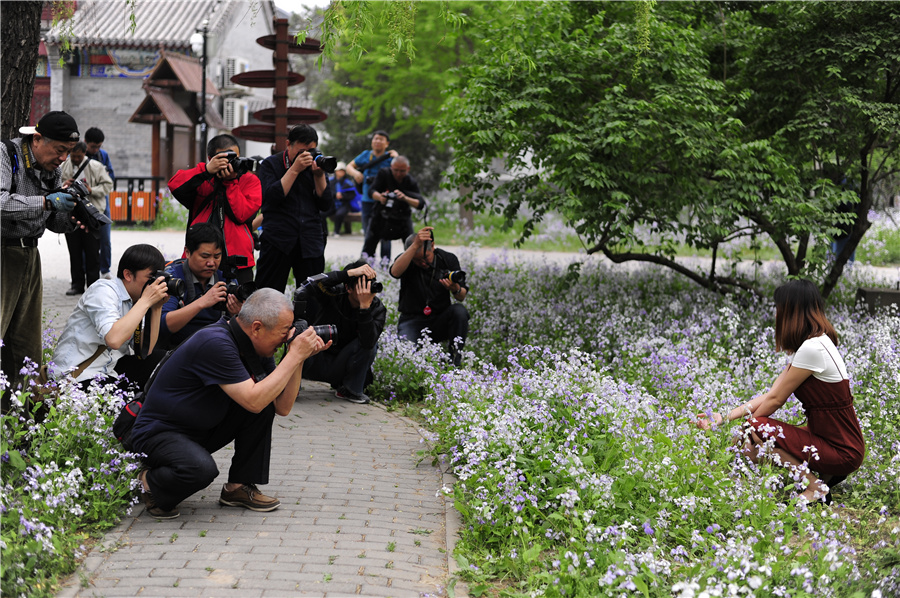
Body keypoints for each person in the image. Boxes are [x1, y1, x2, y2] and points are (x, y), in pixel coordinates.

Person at [129, 288, 328, 519]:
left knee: (265, 403)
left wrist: (299, 357)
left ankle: (238, 487)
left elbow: (281, 406)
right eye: (285, 331)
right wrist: (293, 355)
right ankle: (148, 481)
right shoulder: (216, 343)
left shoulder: (256, 346)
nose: (288, 338)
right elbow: (254, 401)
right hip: (158, 433)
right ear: (257, 327)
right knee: (201, 470)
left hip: (197, 428)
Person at [696, 279, 865, 505]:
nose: (776, 315)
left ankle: (816, 488)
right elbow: (770, 395)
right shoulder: (814, 343)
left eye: (779, 309)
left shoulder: (812, 348)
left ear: (792, 311)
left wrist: (746, 431)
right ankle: (826, 475)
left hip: (842, 449)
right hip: (836, 441)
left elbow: (776, 400)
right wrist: (723, 419)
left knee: (756, 433)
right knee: (753, 440)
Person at [1, 111, 81, 396]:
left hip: (30, 258)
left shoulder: (53, 169)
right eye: (60, 150)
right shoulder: (5, 154)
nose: (63, 159)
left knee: (27, 346)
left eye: (68, 153)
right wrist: (46, 202)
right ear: (37, 139)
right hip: (2, 254)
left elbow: (53, 221)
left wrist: (73, 217)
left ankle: (22, 420)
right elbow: (0, 202)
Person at [50, 244, 169, 388]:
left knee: (165, 361)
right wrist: (145, 301)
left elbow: (145, 350)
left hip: (109, 369)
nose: (155, 285)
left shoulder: (137, 300)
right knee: (129, 404)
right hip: (77, 375)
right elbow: (114, 339)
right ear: (128, 275)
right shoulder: (104, 291)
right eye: (151, 278)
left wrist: (156, 308)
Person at [168, 134, 261, 280]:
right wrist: (206, 170)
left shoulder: (249, 180)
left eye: (235, 158)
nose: (232, 163)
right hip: (201, 260)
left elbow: (241, 214)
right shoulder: (203, 177)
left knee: (238, 302)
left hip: (238, 263)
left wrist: (230, 183)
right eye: (226, 158)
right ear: (211, 158)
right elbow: (174, 184)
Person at [295, 260, 387, 404]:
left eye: (369, 285)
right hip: (316, 357)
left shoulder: (376, 308)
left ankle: (351, 390)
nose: (367, 290)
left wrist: (364, 309)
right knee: (298, 333)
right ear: (348, 288)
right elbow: (310, 283)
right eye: (362, 285)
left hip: (342, 365)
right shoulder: (334, 294)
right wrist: (347, 274)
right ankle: (290, 388)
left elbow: (368, 343)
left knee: (372, 344)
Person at [255, 124, 333, 294]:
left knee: (313, 296)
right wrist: (295, 169)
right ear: (288, 144)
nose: (307, 155)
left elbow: (326, 204)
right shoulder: (271, 164)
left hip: (310, 240)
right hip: (278, 240)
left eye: (311, 150)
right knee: (267, 294)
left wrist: (319, 176)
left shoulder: (316, 164)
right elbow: (271, 198)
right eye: (301, 151)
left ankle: (306, 322)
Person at [389, 227, 469, 366]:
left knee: (459, 311)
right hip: (412, 320)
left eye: (426, 257)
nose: (423, 263)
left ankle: (454, 362)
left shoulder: (446, 259)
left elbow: (461, 296)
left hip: (439, 319)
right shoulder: (406, 259)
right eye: (418, 260)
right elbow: (395, 273)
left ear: (432, 245)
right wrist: (415, 246)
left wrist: (454, 288)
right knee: (406, 359)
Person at [159, 223, 241, 349]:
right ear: (187, 252)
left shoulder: (226, 278)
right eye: (205, 256)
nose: (211, 263)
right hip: (178, 350)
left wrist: (237, 315)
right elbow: (164, 325)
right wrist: (203, 301)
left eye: (217, 256)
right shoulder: (173, 278)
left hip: (217, 347)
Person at [61, 141, 113, 295]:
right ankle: (77, 284)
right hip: (70, 213)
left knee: (92, 252)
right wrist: (64, 184)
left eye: (78, 156)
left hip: (91, 214)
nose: (76, 159)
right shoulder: (64, 166)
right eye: (73, 156)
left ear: (84, 153)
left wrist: (91, 189)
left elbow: (108, 185)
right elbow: (55, 184)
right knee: (74, 251)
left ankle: (93, 286)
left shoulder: (96, 166)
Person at [345, 131, 397, 261]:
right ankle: (368, 263)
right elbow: (349, 167)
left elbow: (401, 171)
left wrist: (397, 157)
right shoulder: (365, 155)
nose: (377, 141)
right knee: (368, 233)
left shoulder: (390, 157)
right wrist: (355, 173)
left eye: (381, 139)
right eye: (375, 139)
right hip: (367, 200)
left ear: (387, 143)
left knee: (385, 234)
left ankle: (385, 265)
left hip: (384, 200)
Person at [361, 156, 425, 260]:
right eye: (396, 170)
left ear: (408, 169)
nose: (398, 174)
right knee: (368, 248)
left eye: (402, 171)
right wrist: (380, 197)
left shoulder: (410, 181)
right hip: (381, 216)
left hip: (402, 219)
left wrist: (404, 198)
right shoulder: (383, 174)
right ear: (391, 167)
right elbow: (371, 191)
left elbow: (420, 204)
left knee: (412, 247)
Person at [84, 127, 115, 279]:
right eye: (93, 146)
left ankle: (105, 269)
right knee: (85, 239)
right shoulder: (79, 155)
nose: (96, 149)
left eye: (98, 146)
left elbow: (111, 178)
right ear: (86, 143)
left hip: (102, 201)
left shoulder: (103, 156)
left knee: (105, 239)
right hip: (84, 202)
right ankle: (85, 270)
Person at [326, 162, 360, 236]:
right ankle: (324, 231)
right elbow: (326, 192)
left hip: (344, 205)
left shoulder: (348, 183)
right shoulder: (330, 181)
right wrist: (335, 195)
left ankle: (336, 231)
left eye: (342, 171)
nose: (341, 172)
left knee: (339, 214)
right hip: (332, 204)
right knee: (322, 213)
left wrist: (343, 196)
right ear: (336, 171)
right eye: (339, 170)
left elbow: (352, 195)